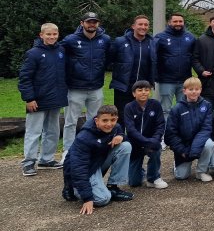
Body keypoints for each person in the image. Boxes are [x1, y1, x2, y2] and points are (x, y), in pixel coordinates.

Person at [61, 105, 133, 215]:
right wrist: (88, 198)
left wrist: (121, 136)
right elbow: (78, 168)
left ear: (117, 119)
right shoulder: (84, 138)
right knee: (102, 199)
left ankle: (113, 187)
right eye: (105, 120)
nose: (109, 124)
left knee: (125, 146)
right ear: (96, 120)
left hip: (97, 163)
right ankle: (71, 188)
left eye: (113, 120)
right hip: (84, 170)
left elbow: (122, 136)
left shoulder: (115, 127)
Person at [19, 23, 68, 176]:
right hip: (37, 100)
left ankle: (46, 159)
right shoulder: (33, 53)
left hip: (55, 98)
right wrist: (29, 98)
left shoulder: (61, 51)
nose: (52, 37)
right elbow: (25, 77)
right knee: (33, 132)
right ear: (41, 35)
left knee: (52, 130)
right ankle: (28, 162)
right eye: (48, 34)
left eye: (54, 34)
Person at [62, 12, 112, 161]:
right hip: (75, 87)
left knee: (96, 120)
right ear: (82, 23)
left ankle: (91, 148)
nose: (92, 24)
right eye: (89, 22)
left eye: (94, 22)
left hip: (96, 87)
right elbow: (58, 56)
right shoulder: (71, 40)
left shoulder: (105, 39)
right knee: (70, 121)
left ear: (98, 23)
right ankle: (68, 151)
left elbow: (109, 58)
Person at [164, 77, 214, 182]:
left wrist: (195, 150)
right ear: (184, 91)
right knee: (181, 177)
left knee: (209, 144)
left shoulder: (207, 106)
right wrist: (182, 151)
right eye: (190, 89)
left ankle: (201, 171)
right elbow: (171, 134)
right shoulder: (176, 109)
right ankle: (177, 164)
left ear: (200, 90)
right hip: (184, 146)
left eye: (196, 89)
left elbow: (206, 129)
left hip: (200, 142)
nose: (194, 92)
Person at [123, 81, 167, 189]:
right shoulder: (129, 107)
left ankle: (153, 178)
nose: (143, 93)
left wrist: (155, 140)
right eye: (140, 90)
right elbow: (130, 129)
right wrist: (145, 141)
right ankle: (140, 171)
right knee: (134, 183)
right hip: (136, 144)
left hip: (152, 141)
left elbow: (160, 124)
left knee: (156, 149)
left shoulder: (155, 105)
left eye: (146, 90)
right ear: (134, 93)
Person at [109, 15, 154, 116]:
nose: (143, 27)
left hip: (142, 87)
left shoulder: (152, 43)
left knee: (139, 115)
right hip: (123, 86)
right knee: (121, 115)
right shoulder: (120, 41)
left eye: (146, 25)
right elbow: (110, 60)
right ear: (133, 26)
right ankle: (120, 132)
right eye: (140, 24)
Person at [154, 13, 196, 120]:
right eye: (175, 21)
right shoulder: (160, 37)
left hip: (185, 80)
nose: (178, 24)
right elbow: (153, 58)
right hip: (166, 80)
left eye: (180, 21)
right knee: (165, 109)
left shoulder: (190, 37)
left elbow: (195, 57)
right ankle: (166, 134)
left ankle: (182, 133)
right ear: (169, 22)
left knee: (184, 109)